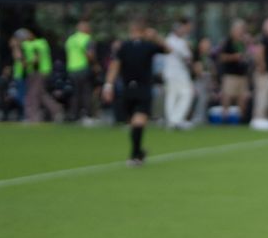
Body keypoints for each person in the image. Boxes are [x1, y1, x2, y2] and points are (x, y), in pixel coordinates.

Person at [102, 20, 167, 166]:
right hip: (141, 89)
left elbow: (114, 67)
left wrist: (108, 86)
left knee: (136, 122)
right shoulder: (145, 46)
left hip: (129, 89)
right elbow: (168, 50)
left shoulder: (124, 47)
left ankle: (136, 154)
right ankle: (137, 153)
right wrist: (156, 37)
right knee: (137, 123)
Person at [163, 18, 195, 129]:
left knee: (184, 94)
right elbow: (185, 57)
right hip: (173, 72)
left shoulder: (183, 40)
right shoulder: (170, 40)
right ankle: (173, 120)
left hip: (181, 72)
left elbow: (188, 58)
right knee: (173, 96)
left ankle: (175, 120)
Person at [64, 20, 96, 122]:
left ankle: (74, 114)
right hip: (83, 67)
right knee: (86, 92)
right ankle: (86, 115)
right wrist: (95, 64)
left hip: (71, 68)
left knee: (75, 93)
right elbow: (90, 55)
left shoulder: (70, 39)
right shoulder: (87, 39)